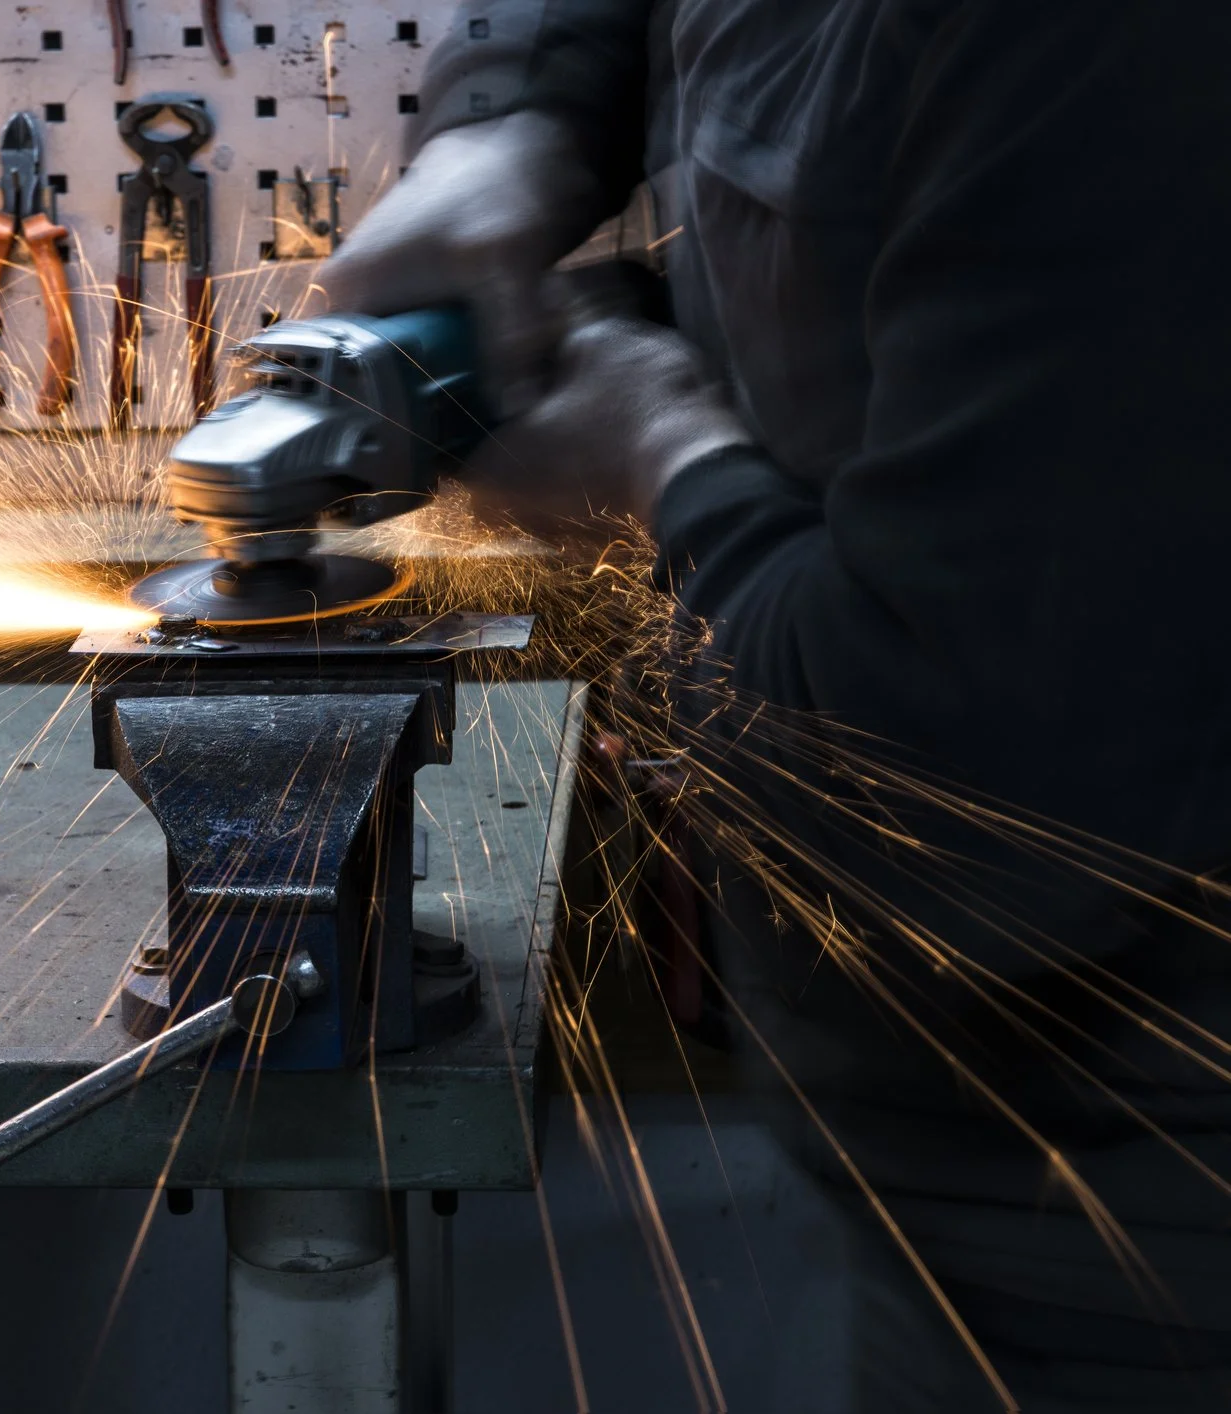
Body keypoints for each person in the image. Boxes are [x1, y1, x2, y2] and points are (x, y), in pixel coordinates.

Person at [323, 3, 1231, 1408]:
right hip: (918, 1175)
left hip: (1132, 1255)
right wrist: (509, 131)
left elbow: (963, 785)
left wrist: (662, 457)